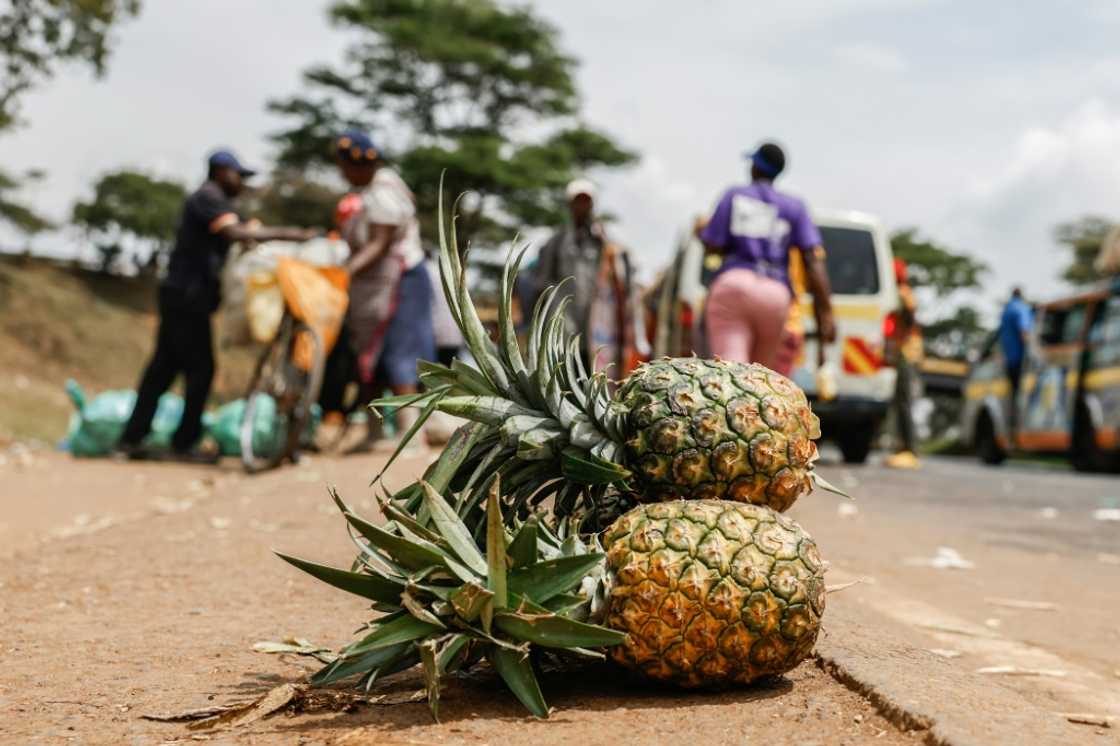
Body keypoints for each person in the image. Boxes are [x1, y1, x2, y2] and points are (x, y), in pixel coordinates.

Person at [118, 150, 317, 461]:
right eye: (239, 176)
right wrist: (293, 235)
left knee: (163, 369)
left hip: (183, 296)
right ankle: (183, 443)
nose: (242, 183)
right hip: (188, 297)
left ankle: (132, 438)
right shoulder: (208, 197)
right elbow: (234, 233)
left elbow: (237, 234)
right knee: (201, 369)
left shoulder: (216, 203)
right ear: (223, 171)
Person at [334, 130, 435, 450]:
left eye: (343, 165)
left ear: (359, 164)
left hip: (402, 281)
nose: (341, 172)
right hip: (376, 288)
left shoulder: (384, 192)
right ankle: (374, 433)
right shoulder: (366, 195)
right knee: (372, 359)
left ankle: (411, 434)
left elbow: (379, 244)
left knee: (400, 353)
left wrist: (343, 273)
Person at [701, 142, 835, 372]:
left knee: (730, 373)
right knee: (761, 377)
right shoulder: (795, 207)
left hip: (734, 284)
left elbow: (713, 245)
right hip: (775, 294)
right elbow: (813, 261)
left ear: (754, 167)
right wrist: (826, 315)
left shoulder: (734, 196)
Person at [530, 178, 645, 374]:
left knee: (593, 377)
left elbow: (623, 273)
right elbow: (541, 283)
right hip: (564, 329)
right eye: (578, 201)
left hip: (596, 331)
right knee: (564, 377)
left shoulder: (604, 242)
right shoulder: (556, 243)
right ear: (570, 204)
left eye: (586, 201)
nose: (582, 206)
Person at [884, 258, 923, 469]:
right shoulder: (901, 293)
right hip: (905, 351)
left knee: (904, 401)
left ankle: (910, 449)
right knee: (900, 401)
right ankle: (903, 448)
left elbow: (910, 316)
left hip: (908, 352)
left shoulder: (902, 293)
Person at [998, 287, 1033, 436]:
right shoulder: (1021, 308)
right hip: (1021, 360)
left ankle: (1011, 431)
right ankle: (1021, 430)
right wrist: (1032, 352)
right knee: (1024, 395)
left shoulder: (1006, 311)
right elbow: (1024, 331)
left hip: (1009, 359)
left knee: (1013, 395)